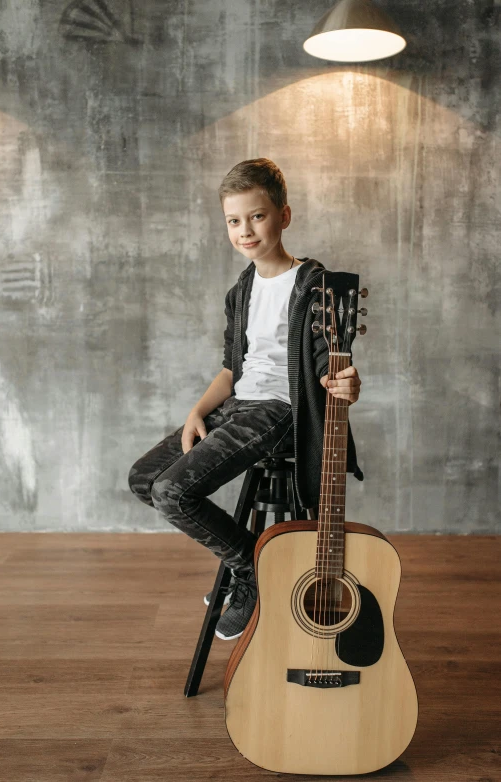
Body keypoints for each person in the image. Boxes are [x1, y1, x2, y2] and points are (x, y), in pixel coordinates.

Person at [128, 158, 363, 641]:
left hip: (278, 411)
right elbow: (233, 368)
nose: (245, 230)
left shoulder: (313, 284)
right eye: (234, 221)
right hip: (235, 407)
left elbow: (329, 362)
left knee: (173, 492)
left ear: (284, 215)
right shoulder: (242, 289)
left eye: (256, 216)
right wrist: (198, 411)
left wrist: (348, 383)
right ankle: (254, 563)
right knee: (145, 478)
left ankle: (251, 575)